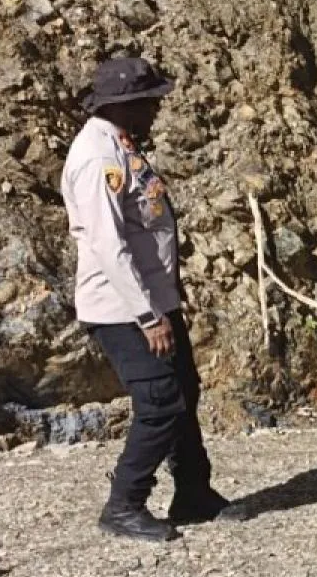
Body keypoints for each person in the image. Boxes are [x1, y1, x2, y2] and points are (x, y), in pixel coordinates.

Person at [61, 56, 246, 542]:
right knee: (159, 401)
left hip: (152, 301)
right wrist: (147, 315)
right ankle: (124, 504)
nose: (157, 112)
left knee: (184, 389)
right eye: (149, 103)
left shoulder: (122, 146)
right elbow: (108, 243)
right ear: (126, 105)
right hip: (123, 307)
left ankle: (193, 492)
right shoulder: (98, 158)